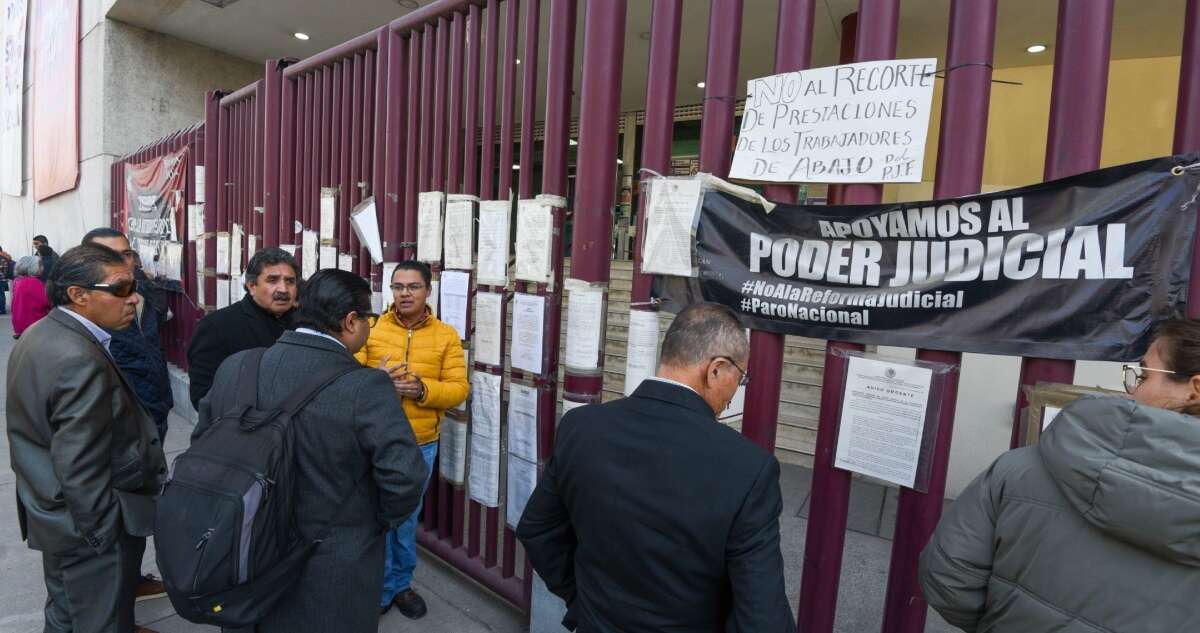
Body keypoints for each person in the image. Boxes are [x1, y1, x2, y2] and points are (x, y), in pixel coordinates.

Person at [517, 302, 794, 633]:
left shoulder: (582, 426)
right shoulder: (750, 468)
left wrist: (582, 599)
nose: (735, 393)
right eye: (741, 378)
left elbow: (537, 528)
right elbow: (763, 620)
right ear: (716, 369)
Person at [920, 318, 1200, 632]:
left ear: (1195, 390)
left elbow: (949, 578)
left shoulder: (1017, 470)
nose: (1132, 387)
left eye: (1144, 375)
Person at [195, 269, 428, 633]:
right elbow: (405, 477)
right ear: (351, 321)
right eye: (369, 319)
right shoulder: (366, 387)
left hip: (242, 551)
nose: (370, 327)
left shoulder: (237, 366)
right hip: (331, 570)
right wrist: (370, 523)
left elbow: (202, 443)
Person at [6, 244, 167, 633]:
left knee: (66, 616)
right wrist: (102, 537)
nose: (134, 299)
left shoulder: (42, 333)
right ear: (78, 295)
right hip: (86, 529)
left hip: (56, 517)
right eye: (122, 288)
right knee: (99, 621)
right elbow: (80, 465)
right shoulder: (77, 356)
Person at [353, 260, 468, 619]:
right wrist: (378, 377)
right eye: (398, 286)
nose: (404, 293)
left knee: (405, 519)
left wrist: (422, 389)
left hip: (420, 443)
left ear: (427, 291)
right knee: (370, 516)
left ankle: (399, 585)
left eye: (413, 287)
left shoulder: (446, 335)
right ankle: (377, 585)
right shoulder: (369, 328)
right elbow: (345, 371)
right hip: (371, 440)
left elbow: (458, 389)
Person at [81, 228, 174, 603]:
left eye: (127, 254)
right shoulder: (89, 310)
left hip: (154, 414)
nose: (124, 262)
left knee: (142, 507)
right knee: (117, 515)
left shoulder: (143, 295)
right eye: (111, 256)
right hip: (118, 426)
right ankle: (114, 604)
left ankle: (132, 582)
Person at [187, 247, 298, 409]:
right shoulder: (216, 326)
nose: (283, 289)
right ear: (252, 286)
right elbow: (203, 396)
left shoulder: (304, 324)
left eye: (290, 281)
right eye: (272, 280)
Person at [10, 255, 50, 338]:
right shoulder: (33, 282)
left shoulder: (18, 280)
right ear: (32, 267)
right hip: (34, 324)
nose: (42, 268)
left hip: (20, 323)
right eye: (40, 265)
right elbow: (46, 302)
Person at [0, 244, 12, 314]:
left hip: (1, 279)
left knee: (1, 295)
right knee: (1, 294)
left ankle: (2, 309)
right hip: (3, 279)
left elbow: (2, 268)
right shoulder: (4, 257)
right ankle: (2, 309)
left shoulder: (1, 258)